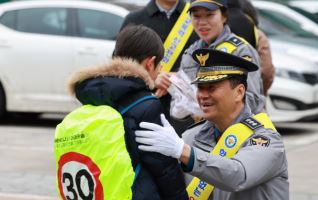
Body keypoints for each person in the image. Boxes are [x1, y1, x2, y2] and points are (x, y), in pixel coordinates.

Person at [135, 48, 289, 200]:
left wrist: (184, 152)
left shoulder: (266, 140)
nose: (203, 95)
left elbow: (238, 175)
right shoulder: (192, 137)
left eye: (212, 88)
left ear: (239, 92)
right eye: (200, 88)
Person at [67, 25, 188, 199]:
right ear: (150, 62)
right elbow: (164, 168)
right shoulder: (147, 105)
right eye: (159, 65)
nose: (160, 70)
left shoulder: (91, 94)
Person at [120, 0, 199, 134]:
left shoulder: (197, 17)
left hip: (186, 115)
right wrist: (150, 78)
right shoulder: (135, 19)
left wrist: (178, 79)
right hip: (143, 111)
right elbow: (120, 65)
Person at [179, 0, 265, 115]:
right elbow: (181, 97)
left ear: (224, 16)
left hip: (238, 127)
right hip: (203, 128)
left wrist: (214, 106)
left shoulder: (241, 50)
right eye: (196, 16)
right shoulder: (190, 53)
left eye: (209, 15)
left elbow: (252, 99)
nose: (202, 22)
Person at [239, 0, 275, 96]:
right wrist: (261, 92)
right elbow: (267, 71)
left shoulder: (217, 33)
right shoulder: (257, 35)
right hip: (252, 97)